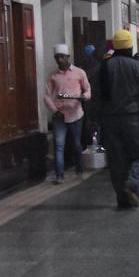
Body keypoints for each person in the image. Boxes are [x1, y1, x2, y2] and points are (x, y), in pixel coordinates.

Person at [91, 30, 139, 209]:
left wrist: (94, 121)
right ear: (130, 47)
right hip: (132, 120)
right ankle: (132, 184)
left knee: (116, 161)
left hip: (109, 121)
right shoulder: (138, 68)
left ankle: (123, 199)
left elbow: (95, 97)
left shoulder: (102, 68)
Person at [44, 43, 91, 184]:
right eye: (57, 57)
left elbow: (88, 89)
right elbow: (46, 96)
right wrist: (54, 110)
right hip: (60, 116)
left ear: (68, 57)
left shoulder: (79, 73)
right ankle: (59, 175)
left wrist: (84, 97)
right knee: (59, 145)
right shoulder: (53, 76)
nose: (59, 60)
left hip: (76, 114)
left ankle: (79, 170)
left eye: (62, 57)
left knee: (77, 144)